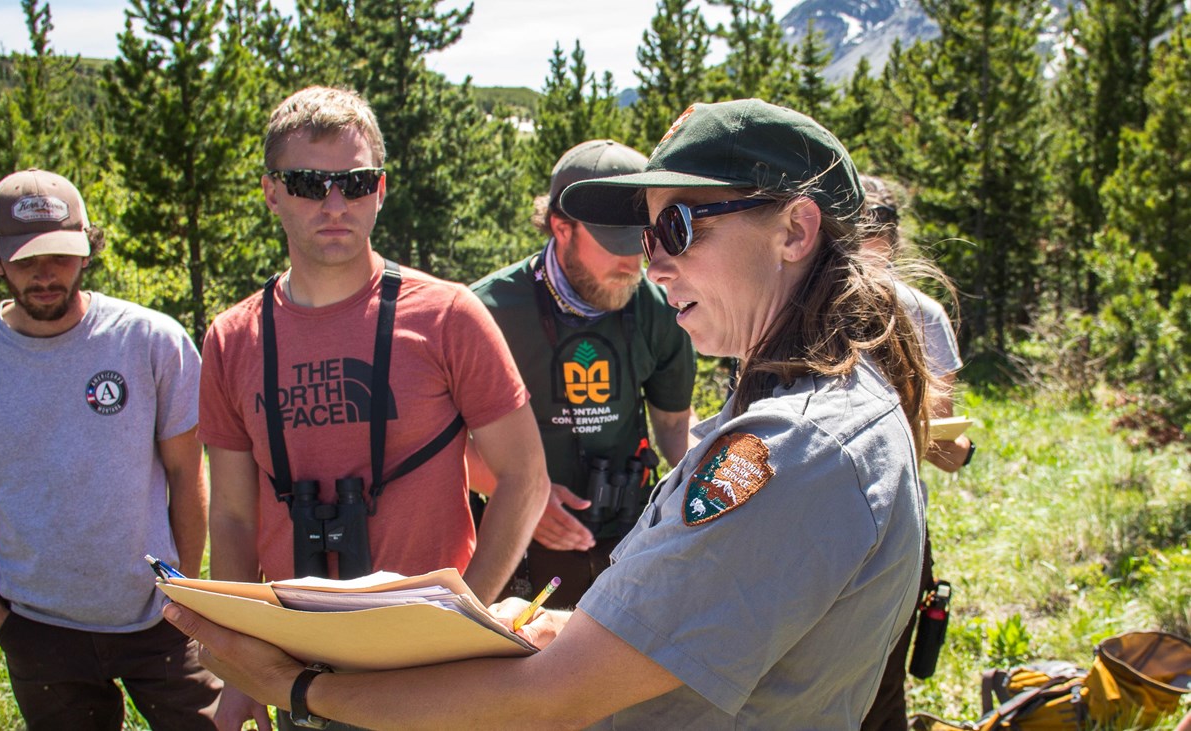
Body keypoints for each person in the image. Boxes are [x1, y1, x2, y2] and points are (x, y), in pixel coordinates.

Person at [165, 98, 935, 728]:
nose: (652, 262)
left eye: (678, 227)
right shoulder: (823, 403)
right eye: (643, 233)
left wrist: (295, 686)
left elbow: (550, 698)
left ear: (795, 231)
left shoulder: (790, 447)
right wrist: (563, 626)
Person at [197, 86, 549, 729]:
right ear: (271, 192)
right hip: (296, 666)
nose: (335, 204)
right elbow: (232, 514)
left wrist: (466, 617)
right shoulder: (232, 338)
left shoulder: (447, 316)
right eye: (307, 183)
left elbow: (526, 478)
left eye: (355, 183)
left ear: (381, 190)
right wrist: (239, 663)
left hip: (432, 670)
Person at [0, 169, 220, 730]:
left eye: (60, 255)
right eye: (24, 259)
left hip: (159, 617)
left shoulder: (150, 341)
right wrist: (1, 621)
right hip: (40, 627)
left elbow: (185, 469)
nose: (44, 274)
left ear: (87, 252)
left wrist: (185, 596)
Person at [469, 139, 697, 607]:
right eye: (614, 244)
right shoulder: (485, 312)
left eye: (643, 241)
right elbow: (442, 443)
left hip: (627, 537)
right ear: (562, 228)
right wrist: (518, 494)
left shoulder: (662, 308)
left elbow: (674, 425)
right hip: (517, 545)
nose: (633, 264)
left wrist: (709, 494)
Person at [858, 174, 974, 731]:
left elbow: (952, 451)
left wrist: (897, 414)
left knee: (880, 690)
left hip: (893, 526)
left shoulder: (922, 313)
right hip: (808, 523)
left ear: (894, 247)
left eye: (874, 261)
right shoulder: (788, 310)